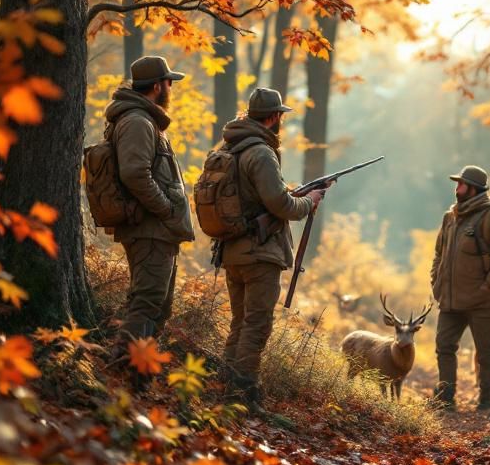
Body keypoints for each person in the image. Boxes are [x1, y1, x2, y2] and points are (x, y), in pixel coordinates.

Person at [218, 87, 327, 410]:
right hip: (259, 253)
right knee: (256, 324)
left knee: (240, 322)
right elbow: (281, 205)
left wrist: (296, 193)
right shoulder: (262, 152)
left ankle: (226, 384)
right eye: (281, 115)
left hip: (232, 249)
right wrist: (310, 201)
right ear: (275, 117)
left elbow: (259, 197)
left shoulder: (231, 147)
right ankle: (244, 393)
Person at [105, 55, 195, 355]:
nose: (171, 88)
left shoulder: (144, 120)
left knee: (157, 304)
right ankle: (124, 370)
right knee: (146, 303)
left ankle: (139, 374)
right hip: (150, 229)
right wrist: (165, 208)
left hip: (156, 229)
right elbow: (134, 173)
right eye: (169, 82)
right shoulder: (138, 122)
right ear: (157, 86)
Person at [430, 165, 490, 411]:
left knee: (485, 354)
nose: (456, 188)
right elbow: (438, 253)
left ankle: (486, 401)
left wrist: (488, 285)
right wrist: (435, 281)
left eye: (461, 184)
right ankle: (446, 399)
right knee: (444, 347)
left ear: (473, 188)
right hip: (448, 300)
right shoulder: (450, 217)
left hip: (481, 301)